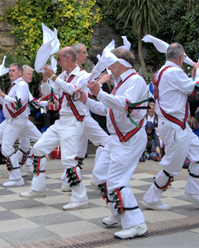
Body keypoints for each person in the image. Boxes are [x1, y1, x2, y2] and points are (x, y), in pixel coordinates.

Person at [77, 48, 148, 239]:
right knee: (100, 175)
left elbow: (124, 104)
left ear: (120, 64)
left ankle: (136, 223)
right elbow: (107, 109)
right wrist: (87, 100)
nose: (108, 68)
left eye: (110, 63)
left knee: (117, 181)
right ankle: (118, 211)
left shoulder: (135, 81)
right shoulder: (120, 83)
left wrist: (99, 93)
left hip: (129, 138)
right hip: (115, 138)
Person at [19, 46, 90, 211]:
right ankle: (38, 188)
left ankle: (80, 198)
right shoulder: (63, 76)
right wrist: (45, 79)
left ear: (67, 58)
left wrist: (55, 77)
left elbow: (74, 91)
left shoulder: (82, 76)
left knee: (68, 160)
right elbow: (50, 94)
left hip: (73, 122)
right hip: (61, 121)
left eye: (58, 59)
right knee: (38, 148)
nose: (57, 62)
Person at [143, 43, 199, 211]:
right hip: (174, 125)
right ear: (181, 57)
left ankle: (192, 192)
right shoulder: (174, 72)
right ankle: (152, 198)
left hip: (177, 125)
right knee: (172, 166)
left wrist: (192, 75)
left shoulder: (161, 72)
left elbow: (185, 88)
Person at [60, 43, 109, 192]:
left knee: (79, 151)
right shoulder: (68, 75)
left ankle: (68, 181)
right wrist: (102, 80)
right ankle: (99, 178)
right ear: (75, 55)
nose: (87, 55)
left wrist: (99, 80)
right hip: (79, 116)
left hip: (80, 115)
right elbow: (80, 90)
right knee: (105, 142)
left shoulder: (75, 73)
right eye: (84, 52)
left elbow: (84, 87)